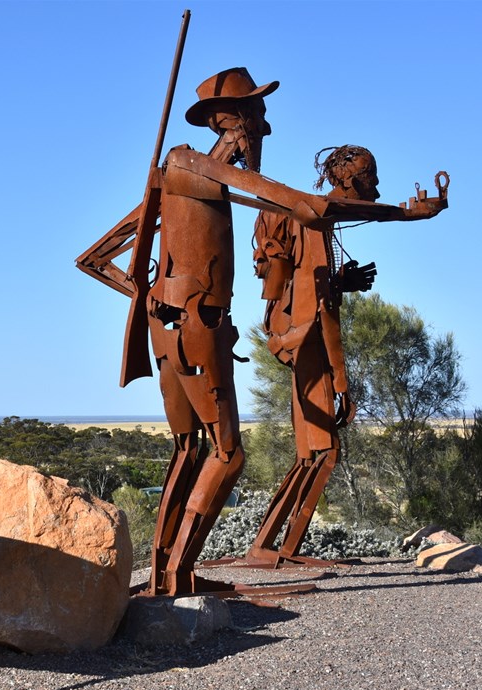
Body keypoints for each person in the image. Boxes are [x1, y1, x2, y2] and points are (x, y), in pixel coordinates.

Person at [76, 69, 448, 596]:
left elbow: (96, 260)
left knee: (189, 450)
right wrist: (409, 213)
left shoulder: (180, 174)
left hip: (174, 330)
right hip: (197, 329)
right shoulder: (193, 164)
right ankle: (178, 576)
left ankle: (167, 578)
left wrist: (154, 298)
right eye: (261, 117)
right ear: (236, 120)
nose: (267, 130)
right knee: (228, 454)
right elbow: (308, 205)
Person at [246, 145, 381, 566]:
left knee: (309, 452)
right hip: (307, 340)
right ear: (350, 179)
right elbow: (322, 308)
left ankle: (269, 547)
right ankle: (280, 549)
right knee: (325, 451)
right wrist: (340, 378)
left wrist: (343, 280)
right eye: (371, 179)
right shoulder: (313, 219)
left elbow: (313, 287)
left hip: (293, 336)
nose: (375, 188)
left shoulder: (310, 219)